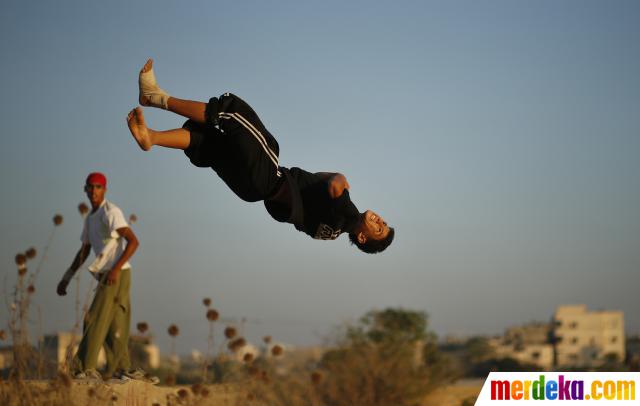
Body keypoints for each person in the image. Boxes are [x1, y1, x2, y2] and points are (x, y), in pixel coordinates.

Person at [127, 59, 394, 253]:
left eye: (379, 228)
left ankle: (155, 98)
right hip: (252, 192)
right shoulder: (331, 233)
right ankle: (152, 137)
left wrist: (341, 177)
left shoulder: (347, 213)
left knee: (233, 113)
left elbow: (334, 183)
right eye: (383, 221)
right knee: (208, 143)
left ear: (362, 238)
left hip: (269, 178)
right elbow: (303, 207)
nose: (379, 220)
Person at [56, 173, 152, 382]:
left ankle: (83, 368)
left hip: (118, 273)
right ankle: (122, 368)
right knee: (114, 325)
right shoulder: (91, 218)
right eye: (90, 187)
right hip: (106, 275)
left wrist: (116, 269)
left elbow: (134, 242)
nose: (93, 191)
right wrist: (66, 277)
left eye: (98, 187)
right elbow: (83, 252)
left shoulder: (111, 212)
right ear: (85, 190)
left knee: (95, 317)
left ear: (104, 190)